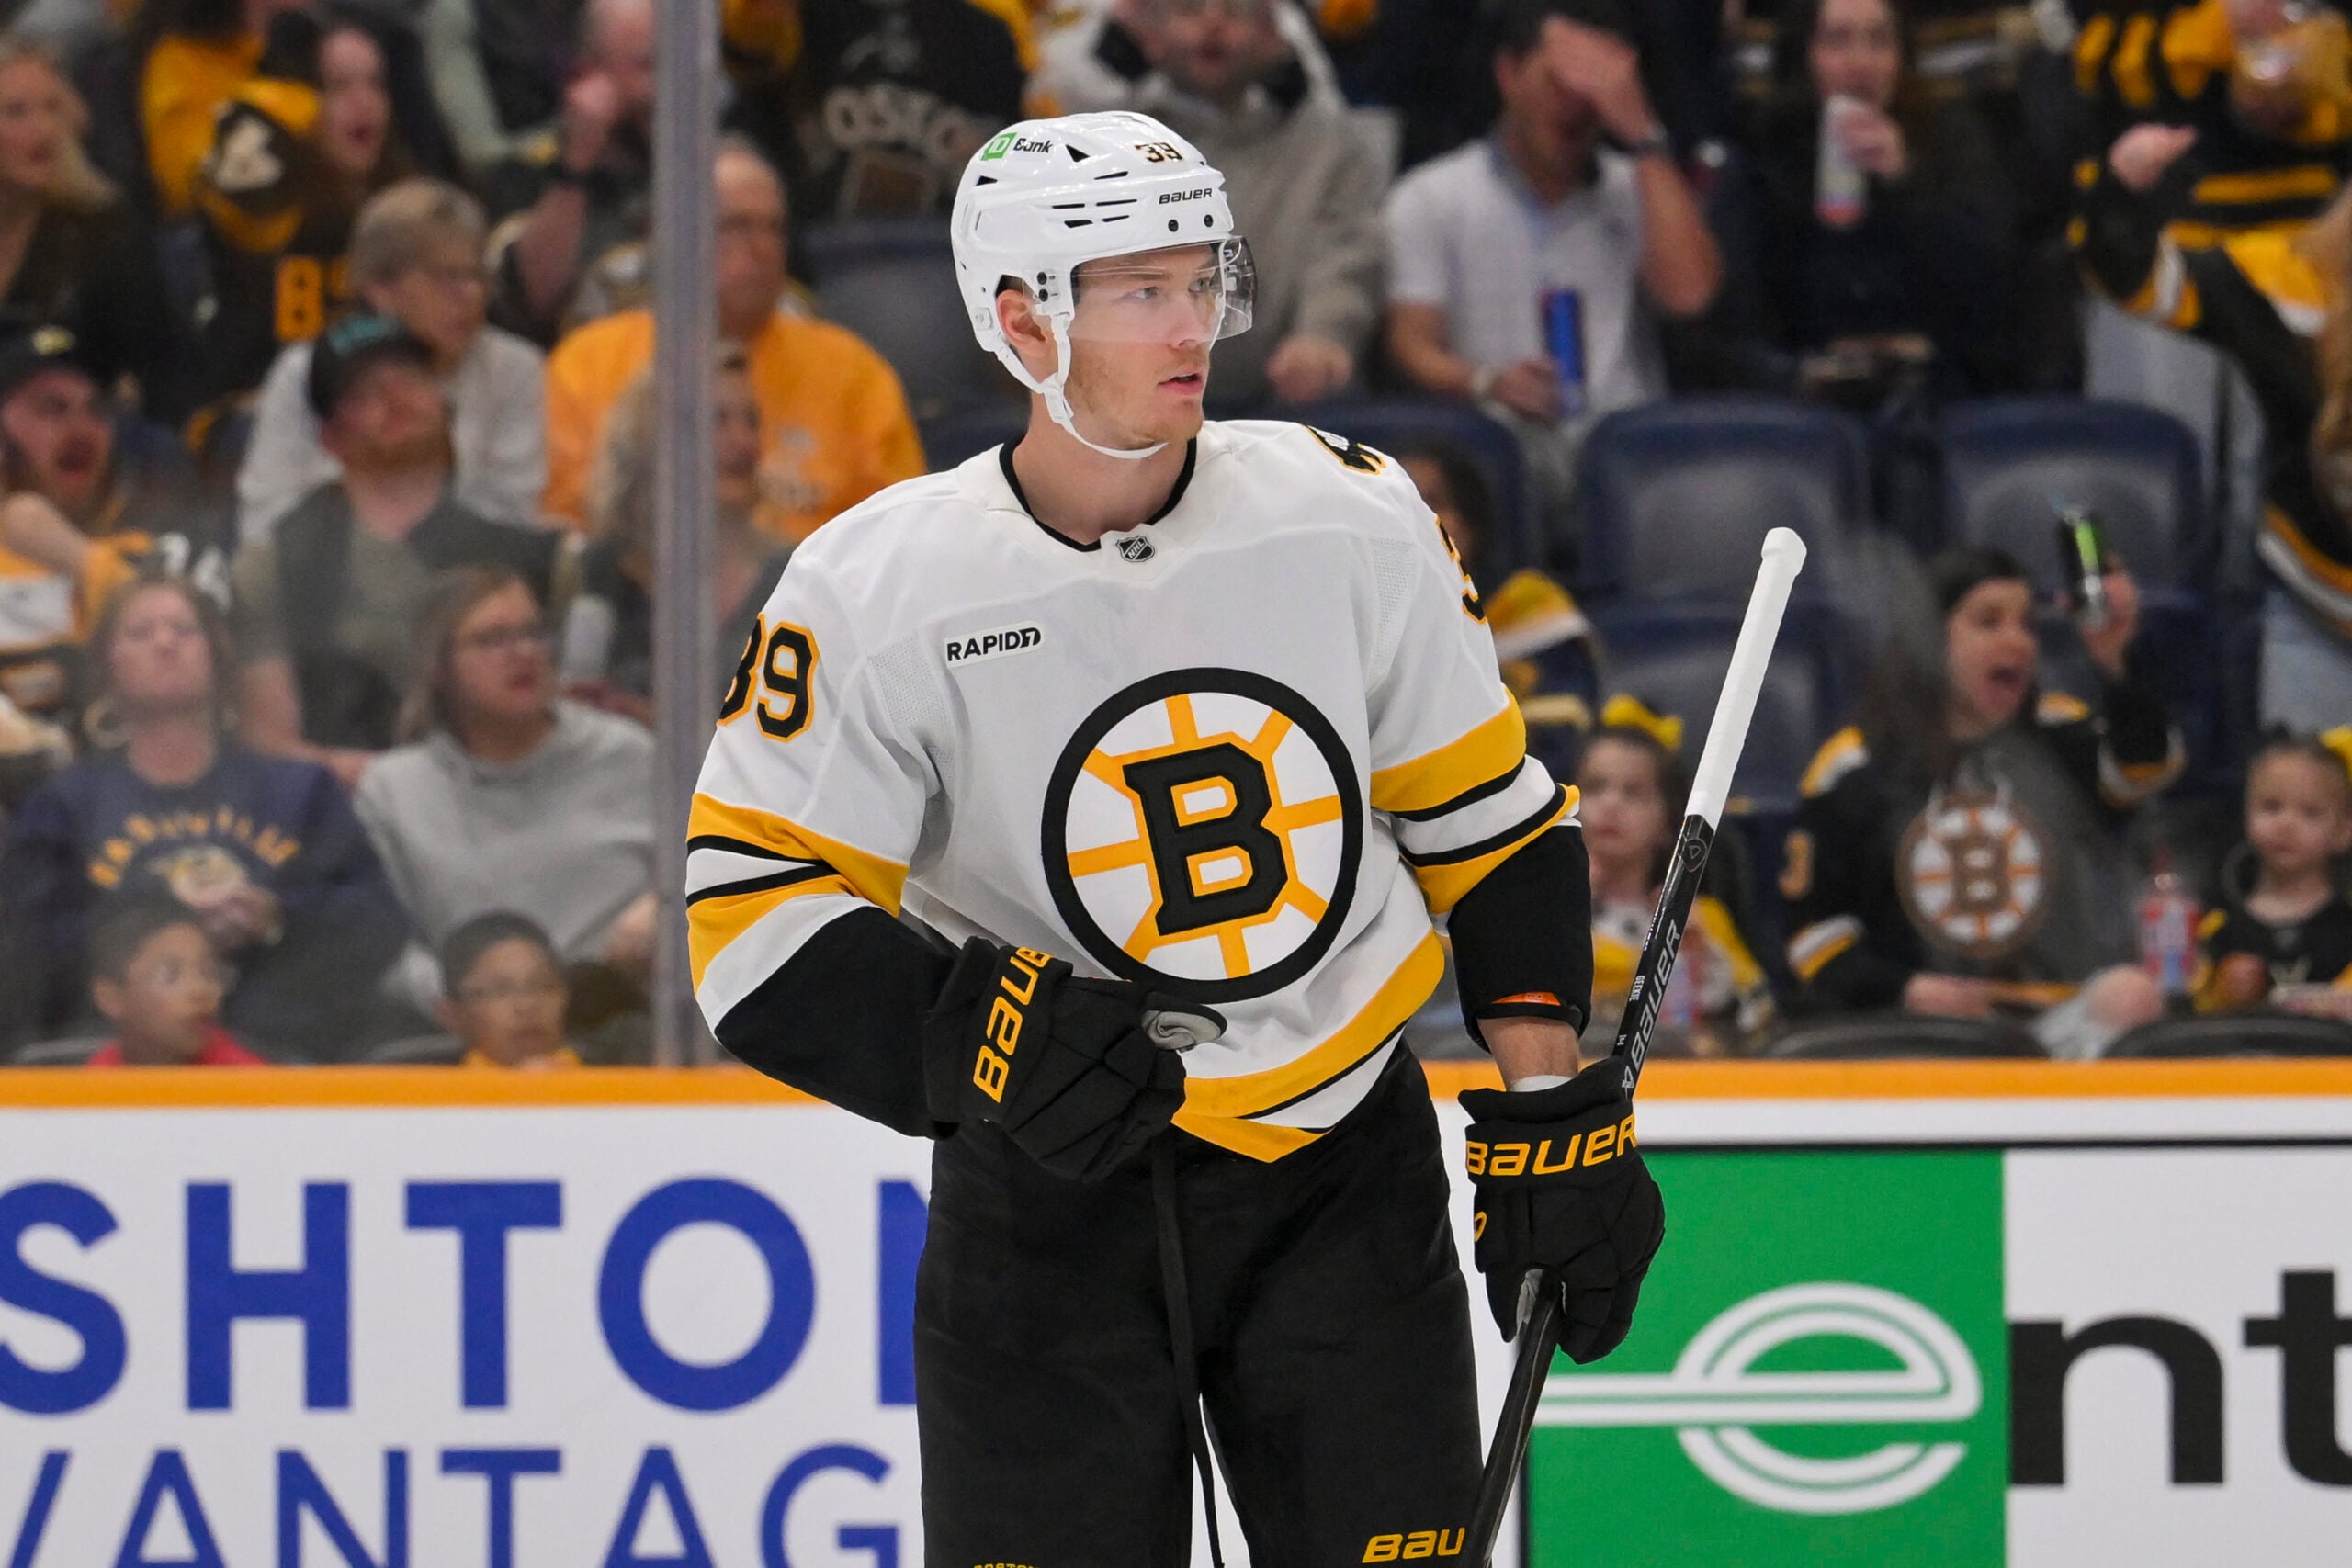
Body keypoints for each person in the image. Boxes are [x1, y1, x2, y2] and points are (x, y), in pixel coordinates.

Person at [688, 111, 1657, 1562]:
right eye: (1142, 289)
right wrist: (978, 1038)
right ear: (1023, 319)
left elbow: (1489, 824)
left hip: (1341, 1164)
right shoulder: (874, 583)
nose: (1193, 323)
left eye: (1203, 280)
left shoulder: (1354, 515)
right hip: (1045, 1197)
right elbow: (749, 920)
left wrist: (1548, 1109)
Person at [1781, 547, 2182, 1058]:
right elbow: (1814, 936)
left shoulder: (2060, 733)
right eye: (1989, 622)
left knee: (2131, 995)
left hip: (2054, 1024)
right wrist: (1909, 990)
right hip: (1912, 1031)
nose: (2017, 641)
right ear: (1929, 638)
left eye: (2027, 624)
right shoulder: (1856, 768)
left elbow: (2145, 771)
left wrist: (2115, 660)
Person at [0, 574, 406, 1058]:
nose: (165, 643)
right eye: (140, 633)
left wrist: (278, 916)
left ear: (217, 655)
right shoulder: (66, 805)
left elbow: (377, 920)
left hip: (288, 1056)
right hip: (118, 1068)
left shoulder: (301, 791)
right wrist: (157, 928)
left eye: (184, 629)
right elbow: (30, 948)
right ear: (107, 669)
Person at [1383, 0, 1720, 532]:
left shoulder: (1641, 190)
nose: (1578, 104)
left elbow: (1691, 297)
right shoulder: (1431, 196)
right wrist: (1486, 381)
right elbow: (1412, 343)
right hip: (1496, 465)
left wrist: (1643, 132)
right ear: (1508, 73)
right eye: (1561, 81)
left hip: (1626, 463)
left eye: (1598, 87)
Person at [2081, 119, 2352, 728]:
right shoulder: (2290, 282)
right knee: (2301, 819)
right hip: (2319, 619)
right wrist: (2122, 189)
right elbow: (2132, 278)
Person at [539, 140, 923, 540]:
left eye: (773, 228)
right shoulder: (588, 363)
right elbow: (567, 523)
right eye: (736, 226)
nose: (762, 249)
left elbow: (903, 533)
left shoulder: (853, 372)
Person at [232, 312, 558, 779]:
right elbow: (269, 742)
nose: (394, 398)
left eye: (410, 378)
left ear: (446, 405)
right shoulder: (276, 564)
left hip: (501, 802)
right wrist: (400, 789)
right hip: (342, 815)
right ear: (330, 439)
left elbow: (554, 720)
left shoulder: (524, 558)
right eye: (361, 394)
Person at [356, 566, 655, 1017]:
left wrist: (666, 909)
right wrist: (474, 1001)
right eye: (492, 640)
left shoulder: (630, 757)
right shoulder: (394, 790)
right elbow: (382, 947)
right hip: (467, 1047)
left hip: (625, 1029)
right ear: (438, 668)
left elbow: (720, 882)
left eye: (534, 634)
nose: (523, 654)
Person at [1702, 0, 2018, 405]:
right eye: (1837, 41)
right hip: (1804, 405)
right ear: (1804, 55)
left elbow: (1995, 297)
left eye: (1879, 41)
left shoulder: (1951, 147)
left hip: (1931, 396)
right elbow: (1729, 331)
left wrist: (1908, 184)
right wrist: (1798, 376)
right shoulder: (1758, 159)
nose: (1861, 62)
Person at [237, 177, 546, 538]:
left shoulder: (515, 367)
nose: (471, 295)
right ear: (379, 288)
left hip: (471, 573)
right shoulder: (307, 373)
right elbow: (264, 523)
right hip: (333, 577)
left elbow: (514, 515)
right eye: (446, 277)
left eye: (478, 276)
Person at [1123, 0, 1386, 409]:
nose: (1213, 24)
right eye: (1190, 11)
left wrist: (1322, 336)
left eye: (1236, 11)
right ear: (1152, 39)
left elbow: (1344, 259)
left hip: (1284, 409)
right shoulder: (1107, 148)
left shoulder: (1328, 149)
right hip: (1130, 405)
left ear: (1273, 38)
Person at [0, 319, 233, 725]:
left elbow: (215, 688)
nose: (81, 429)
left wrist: (83, 560)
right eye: (52, 409)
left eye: (97, 410)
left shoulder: (173, 548)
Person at [186, 10, 417, 412]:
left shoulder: (406, 208)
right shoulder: (263, 212)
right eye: (338, 86)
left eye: (376, 83)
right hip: (259, 407)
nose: (365, 102)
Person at [559, 350, 791, 724]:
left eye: (752, 422)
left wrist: (655, 723)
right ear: (652, 437)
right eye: (718, 420)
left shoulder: (795, 575)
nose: (745, 441)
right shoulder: (594, 572)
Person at [1576, 697, 1771, 1055]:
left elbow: (1760, 1019)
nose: (1611, 804)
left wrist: (1701, 956)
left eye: (1634, 793)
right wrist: (1569, 907)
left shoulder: (1702, 919)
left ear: (1669, 823)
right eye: (1595, 787)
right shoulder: (1542, 913)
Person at [1397, 435, 1599, 778]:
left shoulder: (1527, 606)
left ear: (1472, 522)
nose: (1415, 518)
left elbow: (1564, 732)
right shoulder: (1361, 620)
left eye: (1433, 502)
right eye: (1399, 505)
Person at [0, 38, 178, 414]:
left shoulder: (107, 234)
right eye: (16, 112)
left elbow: (164, 376)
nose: (44, 130)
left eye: (52, 108)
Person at [480, 0, 653, 345]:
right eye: (648, 66)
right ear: (587, 75)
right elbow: (529, 303)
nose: (665, 90)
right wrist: (576, 165)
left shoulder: (714, 164)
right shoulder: (526, 173)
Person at [2195, 731, 2352, 1019]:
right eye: (2271, 806)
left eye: (2310, 812)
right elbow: (2193, 1017)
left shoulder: (2346, 925)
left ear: (2343, 831)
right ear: (2246, 814)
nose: (2286, 824)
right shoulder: (2219, 928)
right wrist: (2224, 993)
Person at [83, 896, 270, 1066]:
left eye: (209, 972)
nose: (200, 990)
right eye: (169, 976)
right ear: (111, 998)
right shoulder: (91, 1082)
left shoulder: (248, 1083)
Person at [437, 909, 582, 1068]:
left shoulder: (605, 1072)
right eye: (500, 991)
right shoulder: (429, 1091)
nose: (527, 1005)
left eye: (544, 986)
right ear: (451, 1015)